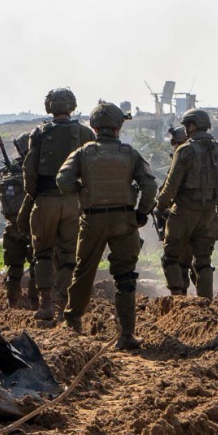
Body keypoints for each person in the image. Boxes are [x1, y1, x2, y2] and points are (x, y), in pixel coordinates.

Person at [58, 100, 156, 351]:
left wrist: (81, 191)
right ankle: (126, 336)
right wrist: (141, 214)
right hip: (124, 220)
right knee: (125, 277)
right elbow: (150, 186)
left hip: (92, 219)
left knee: (83, 271)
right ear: (117, 128)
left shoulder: (83, 153)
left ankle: (72, 324)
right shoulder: (129, 153)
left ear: (94, 127)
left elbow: (63, 179)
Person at [18, 88, 95, 322]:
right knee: (69, 256)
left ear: (48, 106)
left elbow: (29, 170)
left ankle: (46, 304)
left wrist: (34, 196)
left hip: (45, 199)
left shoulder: (39, 134)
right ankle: (63, 305)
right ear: (72, 105)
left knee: (42, 254)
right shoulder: (85, 133)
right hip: (73, 201)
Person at [157, 109, 218, 299]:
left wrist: (159, 207)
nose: (185, 131)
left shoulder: (184, 150)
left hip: (183, 213)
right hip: (209, 214)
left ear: (191, 126)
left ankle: (179, 302)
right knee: (203, 261)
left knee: (170, 258)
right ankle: (205, 305)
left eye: (186, 126)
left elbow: (170, 188)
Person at [0, 132, 35, 308]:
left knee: (14, 268)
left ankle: (11, 301)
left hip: (12, 226)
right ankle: (36, 302)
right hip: (33, 225)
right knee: (37, 266)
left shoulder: (8, 172)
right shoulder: (36, 169)